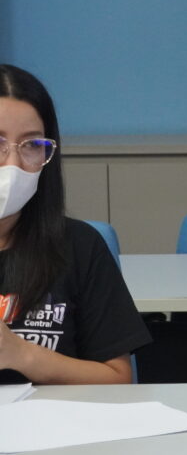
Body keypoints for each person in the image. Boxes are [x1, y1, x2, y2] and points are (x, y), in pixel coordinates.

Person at [0, 64, 151, 384]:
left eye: (31, 145)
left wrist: (22, 354)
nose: (13, 165)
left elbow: (117, 379)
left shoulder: (79, 246)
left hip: (54, 417)